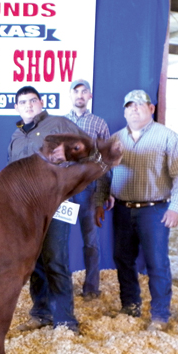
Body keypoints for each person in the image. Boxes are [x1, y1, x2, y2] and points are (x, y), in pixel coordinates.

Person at [96, 90, 178, 332]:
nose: (134, 109)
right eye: (129, 106)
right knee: (123, 260)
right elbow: (105, 174)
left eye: (139, 105)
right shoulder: (116, 140)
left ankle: (160, 315)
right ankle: (130, 305)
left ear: (151, 108)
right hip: (123, 210)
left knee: (157, 263)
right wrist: (102, 197)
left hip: (155, 209)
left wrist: (175, 207)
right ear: (124, 111)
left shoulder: (167, 137)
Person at [8, 85, 88, 334]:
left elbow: (86, 151)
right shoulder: (17, 135)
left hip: (55, 205)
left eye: (33, 101)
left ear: (41, 103)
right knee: (35, 260)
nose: (28, 105)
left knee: (55, 258)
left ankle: (65, 320)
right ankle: (41, 313)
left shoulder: (58, 124)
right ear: (16, 108)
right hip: (26, 210)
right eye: (23, 102)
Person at [64, 79, 110, 301]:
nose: (80, 95)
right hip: (64, 190)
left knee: (90, 241)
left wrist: (102, 196)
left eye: (84, 92)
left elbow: (105, 162)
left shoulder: (99, 124)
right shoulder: (60, 123)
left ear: (90, 96)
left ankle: (91, 287)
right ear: (70, 95)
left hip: (88, 189)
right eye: (76, 92)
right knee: (58, 239)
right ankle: (62, 285)